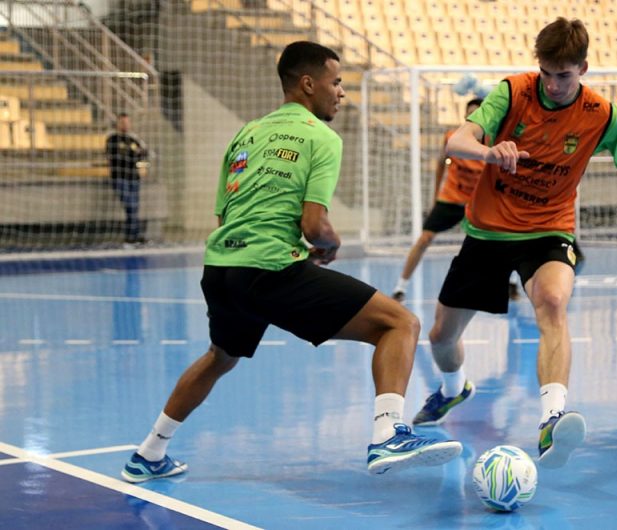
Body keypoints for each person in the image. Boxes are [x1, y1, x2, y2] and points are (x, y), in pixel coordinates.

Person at [121, 41, 462, 483]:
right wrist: (331, 242)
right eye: (336, 82)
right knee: (400, 324)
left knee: (220, 357)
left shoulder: (245, 134)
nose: (341, 92)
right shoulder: (321, 137)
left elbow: (225, 214)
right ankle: (388, 435)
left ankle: (148, 453)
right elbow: (314, 225)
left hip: (222, 267)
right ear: (308, 84)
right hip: (270, 269)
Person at [411, 18, 617, 469]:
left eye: (565, 75)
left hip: (548, 230)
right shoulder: (513, 93)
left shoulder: (601, 115)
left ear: (584, 69)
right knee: (442, 337)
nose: (554, 85)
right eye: (547, 73)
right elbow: (458, 142)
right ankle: (454, 387)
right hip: (487, 233)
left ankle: (552, 420)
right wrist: (488, 151)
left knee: (553, 301)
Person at [391, 99, 521, 302]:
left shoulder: (495, 143)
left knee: (506, 238)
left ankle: (511, 283)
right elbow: (442, 163)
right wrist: (436, 195)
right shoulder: (453, 138)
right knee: (424, 239)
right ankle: (401, 287)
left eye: (478, 114)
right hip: (451, 198)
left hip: (479, 201)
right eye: (470, 115)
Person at [106, 112, 148, 244]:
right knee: (130, 205)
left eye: (127, 122)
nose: (125, 125)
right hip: (120, 177)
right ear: (118, 123)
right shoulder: (112, 138)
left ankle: (132, 236)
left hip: (133, 177)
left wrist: (132, 155)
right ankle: (132, 235)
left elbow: (143, 153)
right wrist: (131, 155)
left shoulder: (134, 139)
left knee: (134, 207)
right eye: (123, 122)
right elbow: (116, 156)